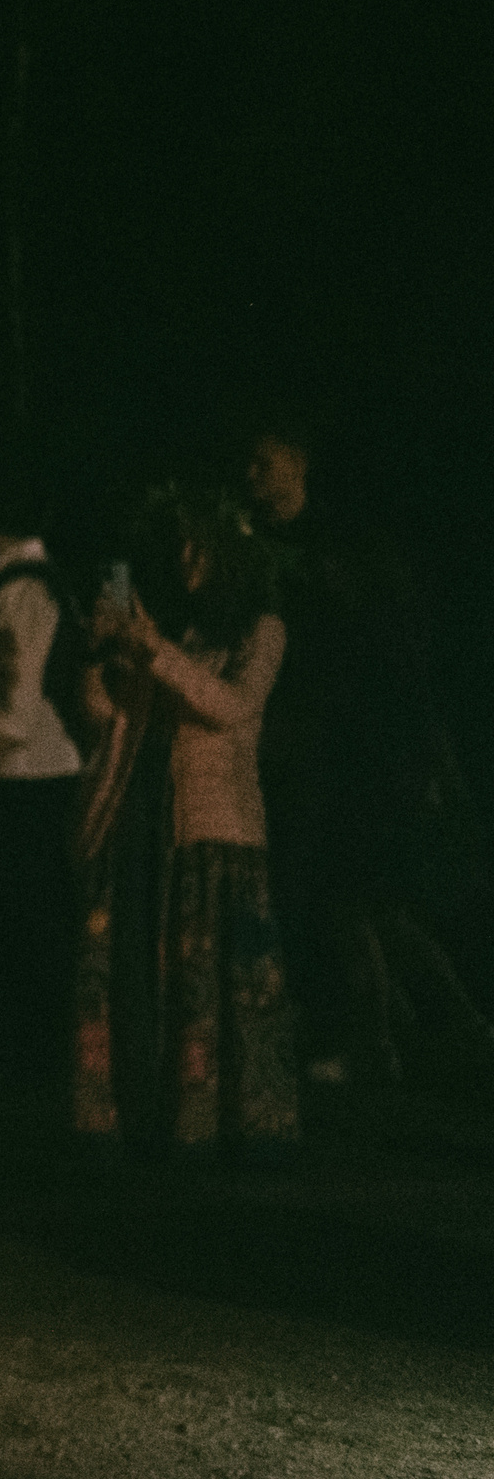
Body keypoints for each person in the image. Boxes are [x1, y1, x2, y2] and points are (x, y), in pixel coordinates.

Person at [247, 418, 493, 1085]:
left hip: (346, 754)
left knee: (343, 897)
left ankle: (378, 1037)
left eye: (264, 460)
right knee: (364, 900)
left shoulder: (335, 551)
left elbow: (376, 659)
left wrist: (414, 755)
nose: (252, 476)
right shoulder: (275, 545)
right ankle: (443, 1024)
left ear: (298, 461)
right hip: (322, 750)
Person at [70, 486, 297, 1157]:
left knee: (229, 984)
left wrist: (156, 649)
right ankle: (181, 1118)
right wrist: (107, 654)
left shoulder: (263, 630)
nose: (188, 556)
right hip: (169, 825)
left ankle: (249, 1120)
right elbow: (112, 711)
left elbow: (231, 705)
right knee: (182, 986)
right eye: (185, 545)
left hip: (225, 830)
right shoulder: (189, 633)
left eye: (200, 544)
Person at [0, 462, 84, 1083]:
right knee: (35, 922)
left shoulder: (16, 592)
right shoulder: (45, 580)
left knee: (24, 924)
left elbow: (12, 705)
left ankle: (36, 1061)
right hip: (45, 772)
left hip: (27, 777)